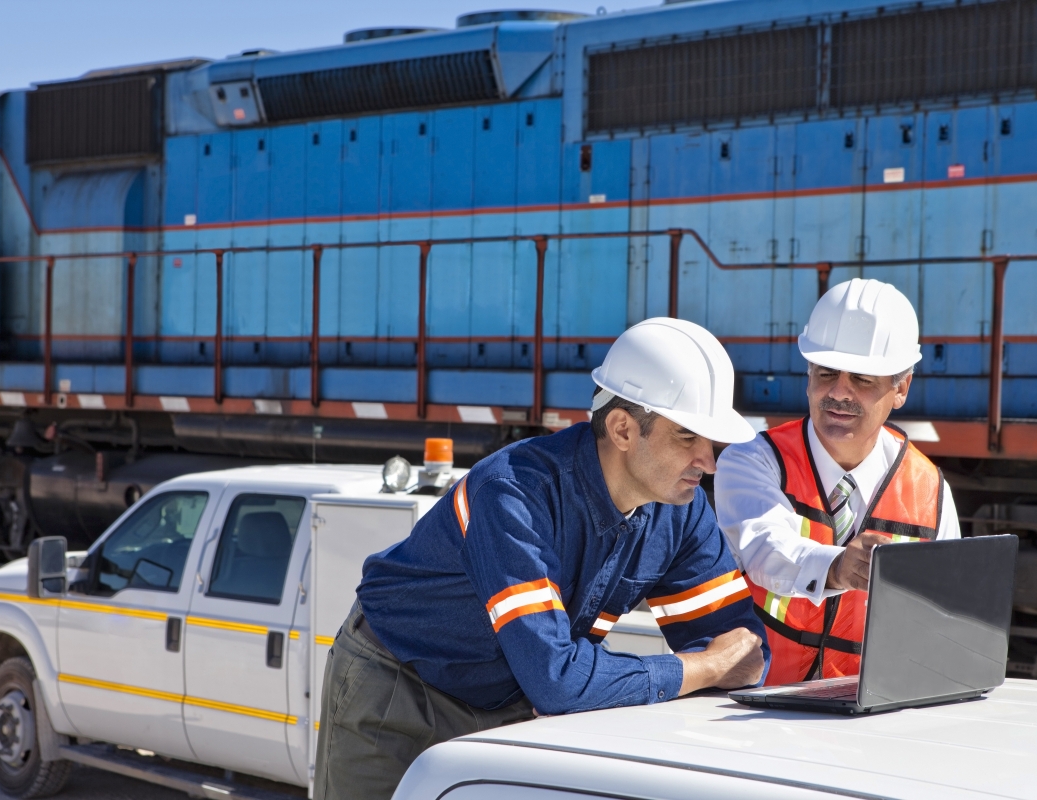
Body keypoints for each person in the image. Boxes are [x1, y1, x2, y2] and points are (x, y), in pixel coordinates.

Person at [314, 318, 769, 800]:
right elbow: (558, 681)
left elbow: (742, 650)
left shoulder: (681, 510)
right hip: (399, 692)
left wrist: (710, 664)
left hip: (512, 702)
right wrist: (702, 667)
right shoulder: (513, 492)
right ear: (622, 429)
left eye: (711, 442)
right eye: (687, 437)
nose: (709, 461)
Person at [715, 278, 960, 685]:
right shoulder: (753, 460)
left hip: (869, 708)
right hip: (755, 701)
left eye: (862, 379)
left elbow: (948, 614)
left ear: (900, 388)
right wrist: (836, 567)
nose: (840, 392)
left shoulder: (930, 491)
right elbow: (763, 546)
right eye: (826, 373)